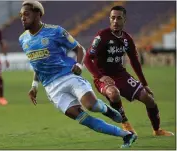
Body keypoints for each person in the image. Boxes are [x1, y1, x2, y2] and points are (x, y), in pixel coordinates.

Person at [19, 1, 137, 148]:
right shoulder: (23, 39)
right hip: (51, 88)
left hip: (68, 76)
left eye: (26, 14)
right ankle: (127, 135)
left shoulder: (55, 31)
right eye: (21, 15)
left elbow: (79, 48)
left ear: (38, 14)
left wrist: (79, 65)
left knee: (91, 105)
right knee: (84, 119)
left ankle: (106, 109)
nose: (22, 18)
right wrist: (34, 86)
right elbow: (37, 65)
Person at [84, 6, 174, 136]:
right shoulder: (102, 36)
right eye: (112, 18)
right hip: (103, 77)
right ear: (109, 19)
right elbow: (87, 59)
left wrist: (145, 84)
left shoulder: (127, 39)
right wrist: (100, 76)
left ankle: (157, 130)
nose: (115, 21)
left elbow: (135, 62)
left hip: (121, 75)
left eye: (119, 18)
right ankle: (125, 123)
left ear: (124, 20)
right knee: (114, 93)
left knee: (148, 99)